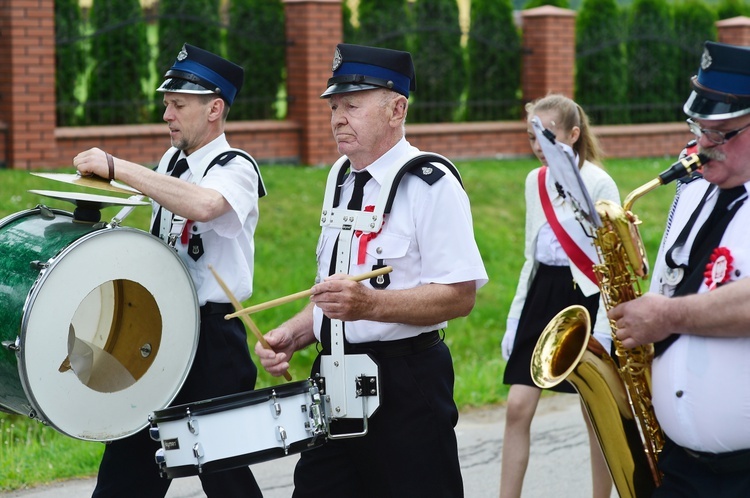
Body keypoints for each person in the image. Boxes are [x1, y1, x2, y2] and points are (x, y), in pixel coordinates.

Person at [253, 43, 488, 497]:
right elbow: (337, 292)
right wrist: (299, 330)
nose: (338, 118)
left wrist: (371, 304)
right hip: (333, 381)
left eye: (353, 106)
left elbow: (461, 295)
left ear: (396, 109)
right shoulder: (340, 175)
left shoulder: (431, 183)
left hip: (406, 385)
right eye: (334, 106)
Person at [73, 43, 264, 498]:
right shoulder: (173, 163)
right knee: (128, 465)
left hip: (213, 338)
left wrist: (118, 168)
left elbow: (205, 204)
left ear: (215, 109)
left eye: (178, 105)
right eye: (166, 104)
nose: (167, 114)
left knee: (223, 473)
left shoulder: (235, 167)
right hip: (159, 333)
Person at [610, 40, 750, 498]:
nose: (702, 145)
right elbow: (669, 286)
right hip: (682, 466)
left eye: (720, 132)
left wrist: (667, 317)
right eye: (698, 127)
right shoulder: (691, 191)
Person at [500, 94, 618, 498]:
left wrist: (604, 332)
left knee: (593, 413)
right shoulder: (534, 181)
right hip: (542, 294)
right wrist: (515, 321)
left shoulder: (599, 182)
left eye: (548, 136)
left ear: (573, 134)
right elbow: (529, 257)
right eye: (533, 136)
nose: (539, 145)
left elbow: (610, 263)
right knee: (517, 407)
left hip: (585, 297)